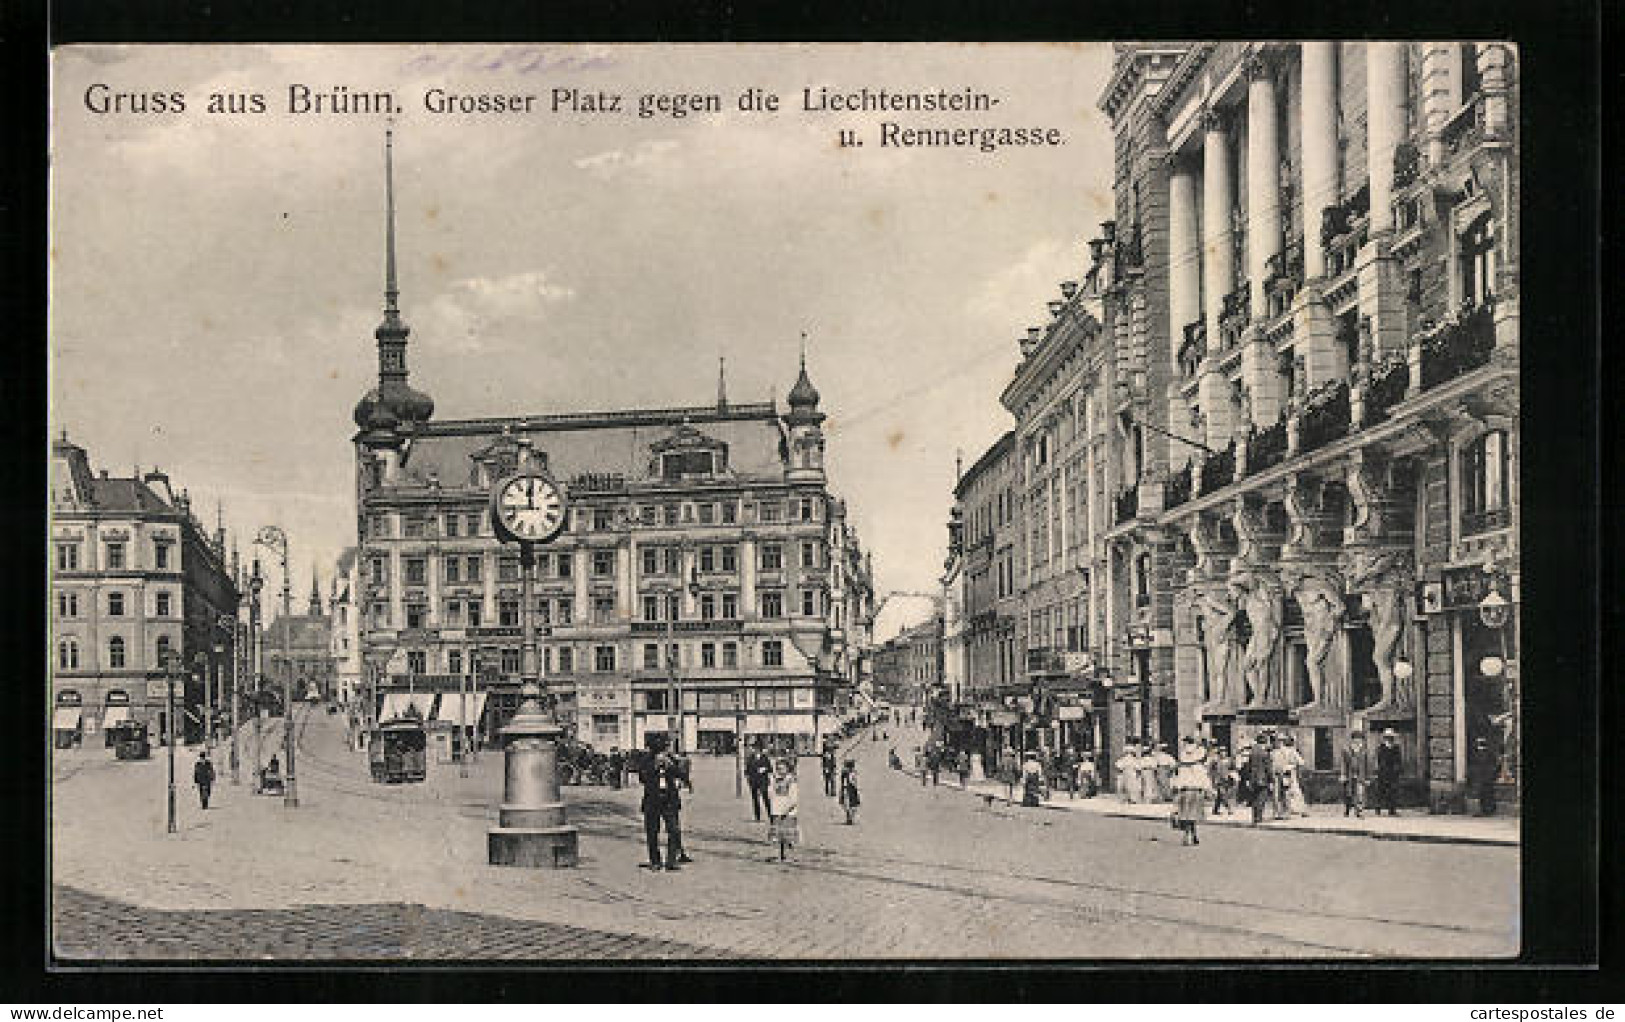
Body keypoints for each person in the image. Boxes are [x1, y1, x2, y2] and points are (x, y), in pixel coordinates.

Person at [639, 748, 684, 871]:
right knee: (652, 833)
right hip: (652, 801)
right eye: (659, 754)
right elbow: (642, 778)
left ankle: (671, 861)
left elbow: (681, 774)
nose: (662, 757)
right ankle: (655, 861)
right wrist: (654, 767)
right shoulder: (646, 761)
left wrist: (672, 765)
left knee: (674, 830)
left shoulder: (671, 761)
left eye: (664, 754)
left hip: (669, 801)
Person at [1172, 736, 1212, 846]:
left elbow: (1178, 779)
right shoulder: (1199, 766)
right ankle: (1191, 835)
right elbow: (1204, 779)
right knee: (1193, 814)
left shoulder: (1183, 765)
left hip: (1185, 790)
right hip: (1196, 790)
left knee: (1185, 814)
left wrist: (1176, 788)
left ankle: (1189, 835)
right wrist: (1208, 789)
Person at [767, 758, 800, 861]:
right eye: (778, 769)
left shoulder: (791, 780)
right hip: (776, 809)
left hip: (788, 811)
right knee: (777, 835)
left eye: (782, 769)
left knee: (787, 835)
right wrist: (771, 783)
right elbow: (770, 794)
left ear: (787, 769)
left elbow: (793, 798)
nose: (780, 771)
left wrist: (787, 809)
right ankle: (779, 855)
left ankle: (787, 856)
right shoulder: (774, 780)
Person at [1243, 735, 1275, 825]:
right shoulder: (1265, 753)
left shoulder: (1252, 752)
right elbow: (1268, 768)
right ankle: (1259, 817)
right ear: (1264, 742)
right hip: (1262, 778)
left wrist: (1248, 779)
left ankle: (1254, 817)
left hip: (1253, 778)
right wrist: (1271, 780)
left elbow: (1248, 766)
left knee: (1254, 798)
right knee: (1262, 797)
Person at [1275, 734, 1309, 817]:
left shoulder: (1278, 752)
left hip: (1284, 774)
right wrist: (1293, 766)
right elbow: (1301, 762)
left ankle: (1285, 811)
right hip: (1288, 774)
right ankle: (1297, 810)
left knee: (1286, 793)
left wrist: (1286, 767)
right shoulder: (1291, 751)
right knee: (1292, 792)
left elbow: (1275, 765)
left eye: (1281, 741)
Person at [1340, 730, 1372, 818]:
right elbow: (1343, 763)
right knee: (1348, 793)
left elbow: (1367, 765)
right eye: (1355, 740)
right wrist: (1343, 774)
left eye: (1360, 740)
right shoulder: (1346, 750)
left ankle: (1359, 810)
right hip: (1349, 775)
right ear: (1352, 740)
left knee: (1360, 793)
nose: (1358, 741)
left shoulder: (1364, 751)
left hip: (1360, 775)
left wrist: (1368, 777)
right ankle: (1347, 808)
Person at [1374, 728, 1403, 816]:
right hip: (1383, 772)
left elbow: (1398, 760)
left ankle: (1392, 809)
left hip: (1393, 772)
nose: (1389, 739)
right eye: (1387, 737)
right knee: (1381, 790)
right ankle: (1378, 808)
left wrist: (1397, 768)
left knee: (1393, 791)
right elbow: (1378, 759)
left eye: (1391, 737)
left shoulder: (1396, 748)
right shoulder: (1381, 748)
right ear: (1385, 738)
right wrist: (1379, 769)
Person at [1467, 735, 1498, 816]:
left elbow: (1475, 764)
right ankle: (1487, 810)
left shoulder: (1481, 753)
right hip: (1484, 776)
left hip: (1484, 776)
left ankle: (1487, 810)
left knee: (1484, 794)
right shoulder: (1488, 752)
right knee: (1485, 794)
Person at [745, 744, 772, 822]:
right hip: (753, 782)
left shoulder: (765, 758)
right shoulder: (750, 758)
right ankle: (757, 817)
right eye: (753, 749)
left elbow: (770, 769)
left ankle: (771, 816)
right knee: (755, 800)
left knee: (765, 799)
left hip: (763, 781)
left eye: (755, 749)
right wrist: (748, 778)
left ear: (759, 750)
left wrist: (764, 769)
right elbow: (747, 770)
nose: (753, 750)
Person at [839, 759, 861, 824]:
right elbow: (852, 782)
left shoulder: (845, 773)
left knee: (847, 804)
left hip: (846, 789)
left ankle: (849, 817)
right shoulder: (850, 773)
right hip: (850, 789)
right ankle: (850, 817)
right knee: (852, 804)